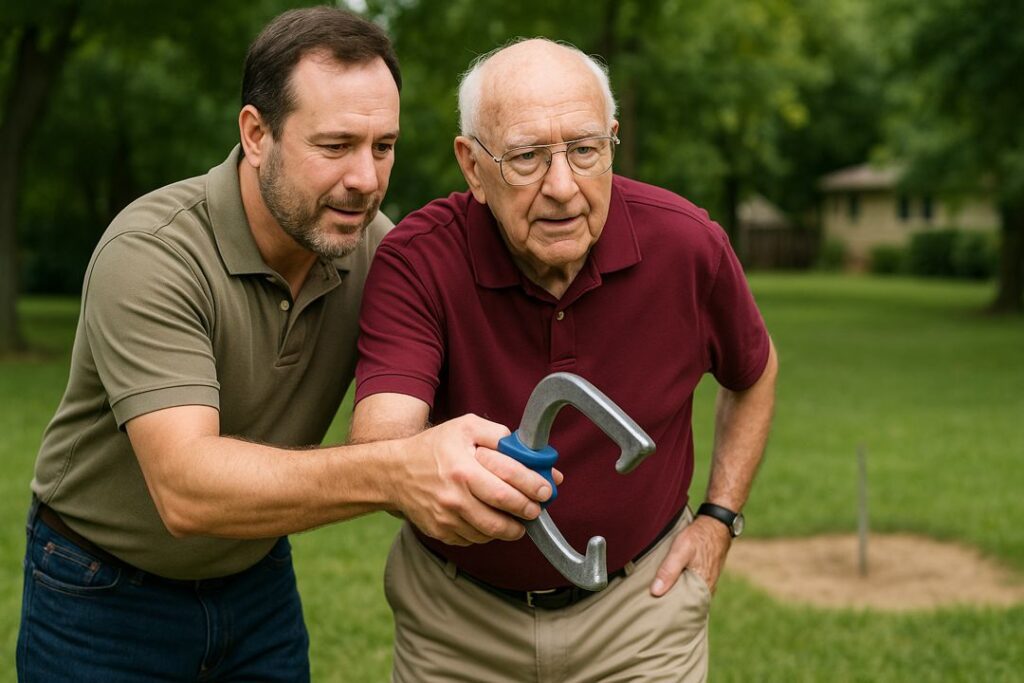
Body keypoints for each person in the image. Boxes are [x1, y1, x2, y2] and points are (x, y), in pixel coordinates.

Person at [16, 9, 553, 682]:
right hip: (100, 588)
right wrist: (395, 470)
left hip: (255, 577)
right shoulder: (153, 253)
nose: (365, 178)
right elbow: (186, 489)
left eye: (382, 147)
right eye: (335, 146)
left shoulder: (382, 255)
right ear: (256, 134)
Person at [351, 38, 778, 682]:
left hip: (642, 611)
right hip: (457, 622)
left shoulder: (687, 244)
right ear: (472, 166)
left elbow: (755, 371)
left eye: (584, 150)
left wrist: (719, 517)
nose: (562, 187)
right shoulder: (419, 260)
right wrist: (430, 469)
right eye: (525, 156)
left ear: (611, 141)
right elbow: (383, 438)